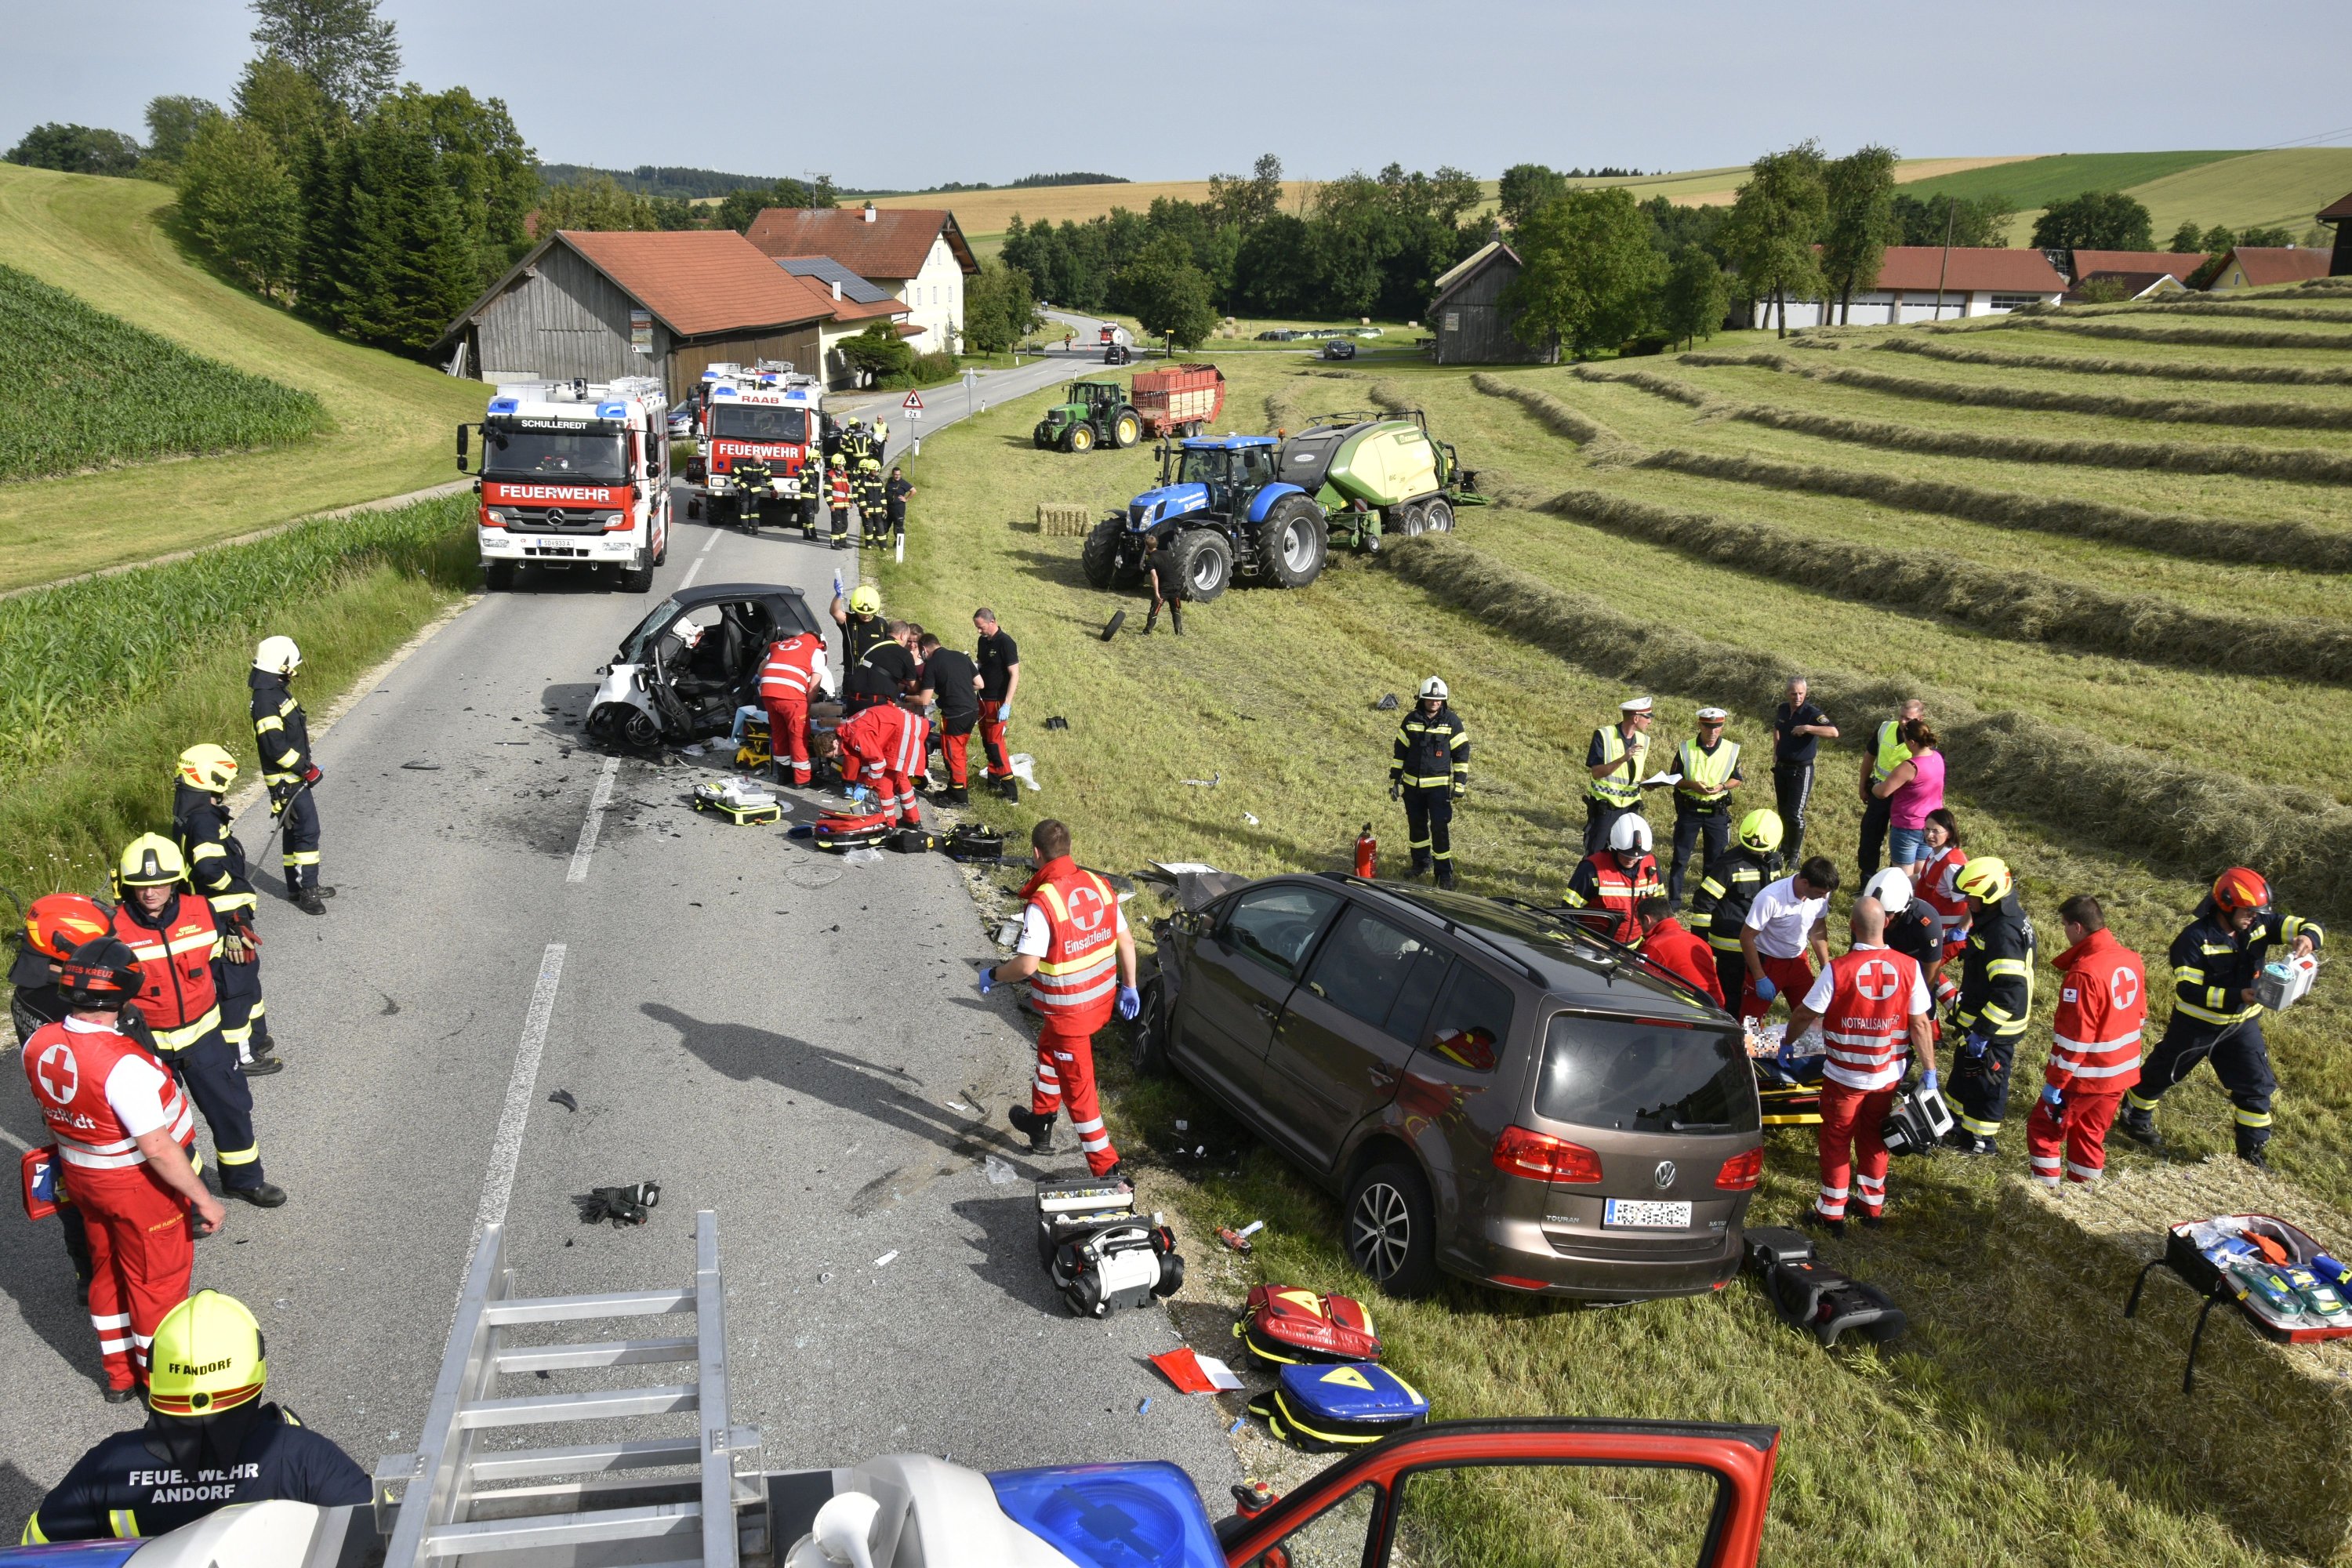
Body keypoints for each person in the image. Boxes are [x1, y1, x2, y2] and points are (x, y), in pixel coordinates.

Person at [20, 936, 222, 1401]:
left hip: (82, 1178)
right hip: (136, 1187)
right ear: (122, 993)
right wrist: (204, 1199)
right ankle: (164, 1382)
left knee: (107, 1271)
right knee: (157, 1283)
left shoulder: (39, 1041)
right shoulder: (123, 1065)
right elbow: (158, 1147)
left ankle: (118, 1377)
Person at [21, 1290, 370, 1541]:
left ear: (157, 1371)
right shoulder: (302, 1454)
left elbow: (35, 1550)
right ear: (255, 1364)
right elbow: (385, 1533)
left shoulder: (108, 1466)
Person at [109, 835, 285, 1208]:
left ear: (175, 882)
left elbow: (226, 958)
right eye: (141, 886)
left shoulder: (202, 912)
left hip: (206, 1040)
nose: (150, 893)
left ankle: (245, 1180)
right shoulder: (113, 929)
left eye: (159, 883)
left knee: (232, 1108)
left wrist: (236, 934)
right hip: (148, 1048)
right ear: (126, 886)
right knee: (166, 1127)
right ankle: (188, 1196)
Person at [2121, 867, 2322, 1168]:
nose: (2254, 917)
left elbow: (2310, 925)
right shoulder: (2193, 940)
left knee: (2256, 1087)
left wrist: (2307, 938)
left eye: (2257, 912)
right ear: (2226, 905)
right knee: (2164, 1074)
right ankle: (2134, 1117)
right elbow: (2189, 991)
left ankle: (2251, 1154)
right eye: (2248, 911)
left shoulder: (2260, 923)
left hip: (2241, 1026)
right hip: (2196, 1026)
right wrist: (2237, 996)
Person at [982, 819, 1140, 1180]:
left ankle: (1108, 1169)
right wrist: (1129, 986)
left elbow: (1025, 966)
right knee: (1047, 1051)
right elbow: (1127, 943)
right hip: (1099, 1003)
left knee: (1081, 1094)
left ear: (1036, 853)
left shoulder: (1044, 903)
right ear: (1069, 848)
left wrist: (993, 976)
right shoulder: (1100, 885)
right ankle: (1040, 1124)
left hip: (1070, 1013)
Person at [1784, 896, 1935, 1234]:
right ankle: (1871, 1207)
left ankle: (1832, 1213)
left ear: (1852, 927)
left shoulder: (1838, 970)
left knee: (1837, 1140)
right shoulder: (1909, 968)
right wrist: (1930, 1071)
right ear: (1886, 925)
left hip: (1844, 1077)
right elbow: (1921, 1023)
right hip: (1886, 1076)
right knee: (1875, 1137)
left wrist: (1787, 1043)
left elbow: (1806, 1013)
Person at [12, 895, 113, 1305]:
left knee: (72, 1196)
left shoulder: (27, 991)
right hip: (96, 1118)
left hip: (56, 1113)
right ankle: (110, 1276)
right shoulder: (70, 1006)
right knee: (102, 1197)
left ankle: (85, 1276)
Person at [171, 745, 279, 1077]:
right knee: (236, 986)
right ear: (210, 777)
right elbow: (207, 869)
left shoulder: (192, 809)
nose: (226, 787)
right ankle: (242, 1055)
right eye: (223, 780)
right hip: (224, 918)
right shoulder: (204, 818)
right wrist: (236, 894)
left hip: (223, 915)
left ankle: (256, 1037)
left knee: (247, 979)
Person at [2027, 895, 2145, 1188]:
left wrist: (2056, 1081)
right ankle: (2086, 1195)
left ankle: (2045, 1197)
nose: (2064, 932)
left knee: (2043, 1131)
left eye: (2065, 926)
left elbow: (2075, 1038)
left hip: (2087, 1078)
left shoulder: (2084, 973)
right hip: (2120, 1074)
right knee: (2089, 1136)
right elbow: (2140, 1016)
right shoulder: (2132, 960)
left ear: (2077, 927)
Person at [1945, 855, 2035, 1156]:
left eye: (1972, 896)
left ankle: (1981, 1142)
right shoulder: (1999, 918)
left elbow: (2010, 992)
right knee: (1965, 1076)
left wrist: (1983, 1032)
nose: (1967, 902)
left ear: (1990, 895)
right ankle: (1959, 1126)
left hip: (1995, 1028)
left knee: (1988, 1085)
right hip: (1978, 1021)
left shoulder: (2002, 933)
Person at [249, 637, 327, 916]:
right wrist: (306, 769)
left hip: (291, 777)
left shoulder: (275, 690)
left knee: (294, 830)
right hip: (287, 780)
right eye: (290, 665)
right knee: (307, 831)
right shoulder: (267, 699)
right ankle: (308, 890)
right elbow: (275, 746)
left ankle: (297, 886)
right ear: (281, 664)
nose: (293, 670)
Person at [1690, 809, 1781, 1014]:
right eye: (1752, 849)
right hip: (1730, 946)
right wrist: (1700, 942)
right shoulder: (1730, 864)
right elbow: (1704, 901)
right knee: (1730, 996)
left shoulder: (1774, 861)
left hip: (1760, 944)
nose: (1757, 852)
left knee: (1751, 995)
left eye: (1761, 850)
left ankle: (1746, 1034)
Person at [1389, 676, 1469, 889]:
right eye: (1430, 699)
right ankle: (1420, 863)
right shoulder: (1410, 720)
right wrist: (1394, 779)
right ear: (1422, 699)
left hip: (1438, 789)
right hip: (1412, 787)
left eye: (1439, 700)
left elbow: (1461, 755)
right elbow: (1400, 752)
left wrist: (1459, 784)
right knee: (1416, 826)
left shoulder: (1452, 722)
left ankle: (1444, 874)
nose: (1435, 703)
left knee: (1440, 828)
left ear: (1444, 701)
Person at [1740, 856, 1838, 1022]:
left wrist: (1825, 965)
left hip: (1799, 961)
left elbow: (1818, 928)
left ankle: (1804, 1046)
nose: (1823, 898)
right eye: (1820, 893)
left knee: (1810, 1015)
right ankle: (1749, 1048)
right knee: (1751, 1022)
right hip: (1768, 963)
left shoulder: (1821, 895)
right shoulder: (1770, 898)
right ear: (1805, 883)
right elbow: (1746, 937)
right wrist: (1759, 977)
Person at [1668, 706, 1744, 906]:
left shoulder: (1731, 749)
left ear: (1722, 726)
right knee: (1680, 858)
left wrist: (1722, 786)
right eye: (1709, 726)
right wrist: (1692, 785)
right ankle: (1674, 900)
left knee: (1714, 860)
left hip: (1716, 811)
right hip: (1690, 809)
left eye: (1717, 726)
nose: (1713, 731)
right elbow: (1674, 779)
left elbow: (1737, 778)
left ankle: (1705, 902)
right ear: (1700, 725)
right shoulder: (1685, 748)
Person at [1565, 816, 1664, 947]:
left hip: (1635, 948)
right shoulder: (1592, 869)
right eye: (1625, 854)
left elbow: (1659, 907)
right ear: (1614, 847)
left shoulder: (1651, 865)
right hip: (1594, 945)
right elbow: (1569, 912)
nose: (1630, 860)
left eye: (1637, 857)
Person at [1857, 698, 1926, 880]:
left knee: (1899, 842)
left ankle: (1891, 883)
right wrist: (1863, 784)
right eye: (1901, 717)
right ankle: (1866, 879)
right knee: (1870, 835)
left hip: (1904, 799)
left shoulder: (1923, 740)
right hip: (1879, 793)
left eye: (1908, 719)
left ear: (1920, 719)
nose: (1903, 722)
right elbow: (1869, 757)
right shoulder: (1885, 728)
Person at [833, 698, 928, 829]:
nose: (838, 756)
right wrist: (862, 781)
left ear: (835, 743)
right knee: (901, 778)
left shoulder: (855, 736)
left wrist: (866, 785)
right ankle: (912, 820)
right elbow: (870, 757)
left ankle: (888, 824)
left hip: (902, 732)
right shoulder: (849, 728)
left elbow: (877, 763)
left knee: (883, 783)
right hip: (907, 726)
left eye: (835, 754)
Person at [1769, 677, 1837, 865]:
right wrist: (1776, 750)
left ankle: (1794, 856)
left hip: (1801, 770)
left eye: (1801, 693)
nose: (1797, 697)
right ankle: (1782, 848)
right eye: (1793, 693)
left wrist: (1808, 728)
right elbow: (1777, 728)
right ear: (1787, 693)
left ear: (1805, 693)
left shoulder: (1811, 713)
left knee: (1795, 814)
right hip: (1782, 767)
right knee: (1782, 811)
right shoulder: (1783, 708)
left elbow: (1833, 732)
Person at [757, 625, 832, 787]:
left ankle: (784, 775)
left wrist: (773, 682)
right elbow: (814, 686)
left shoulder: (784, 644)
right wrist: (807, 705)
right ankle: (802, 779)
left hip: (768, 692)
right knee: (798, 735)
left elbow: (761, 668)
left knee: (779, 733)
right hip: (791, 697)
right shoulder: (816, 650)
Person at [1871, 718, 1944, 873]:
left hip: (1908, 826)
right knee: (1920, 873)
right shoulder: (1937, 758)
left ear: (1912, 742)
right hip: (1930, 824)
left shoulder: (1910, 766)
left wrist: (1873, 787)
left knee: (1903, 876)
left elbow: (1883, 792)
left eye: (1904, 739)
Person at [1582, 696, 1654, 854]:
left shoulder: (1644, 740)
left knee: (1626, 852)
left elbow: (1632, 773)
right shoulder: (1604, 735)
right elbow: (1597, 773)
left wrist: (1646, 782)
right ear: (1636, 718)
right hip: (1606, 808)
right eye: (1647, 717)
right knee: (1596, 853)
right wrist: (1622, 759)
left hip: (1631, 807)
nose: (1650, 721)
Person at [918, 633, 982, 805]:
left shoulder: (932, 664)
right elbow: (979, 684)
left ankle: (960, 797)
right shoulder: (961, 656)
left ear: (924, 649)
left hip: (955, 714)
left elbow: (924, 700)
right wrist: (958, 688)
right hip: (972, 710)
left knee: (954, 753)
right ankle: (954, 787)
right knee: (958, 750)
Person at [1635, 896, 1722, 1004]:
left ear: (1647, 920)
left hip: (1688, 1012)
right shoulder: (1698, 942)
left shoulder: (1654, 946)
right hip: (1717, 1009)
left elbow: (1637, 984)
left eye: (1641, 923)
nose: (1641, 929)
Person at [975, 608, 1021, 803]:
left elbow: (1015, 674)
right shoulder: (983, 641)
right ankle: (993, 781)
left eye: (982, 627)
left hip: (998, 702)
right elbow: (981, 663)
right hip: (983, 699)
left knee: (995, 744)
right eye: (977, 628)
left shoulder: (1006, 643)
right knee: (986, 741)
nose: (979, 631)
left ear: (992, 622)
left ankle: (1011, 791)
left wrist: (1007, 704)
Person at [843, 621, 920, 715]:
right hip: (877, 704)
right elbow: (914, 686)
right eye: (907, 639)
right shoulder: (905, 654)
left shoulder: (872, 646)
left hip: (852, 699)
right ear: (903, 635)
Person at [831, 580, 889, 666]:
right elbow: (834, 612)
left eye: (869, 613)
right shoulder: (849, 621)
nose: (865, 615)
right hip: (853, 674)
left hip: (875, 674)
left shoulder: (882, 624)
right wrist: (838, 595)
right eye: (861, 613)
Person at [1144, 536, 1187, 635]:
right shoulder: (1166, 553)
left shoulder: (1151, 560)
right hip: (1176, 586)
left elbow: (1154, 577)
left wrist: (1156, 593)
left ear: (1147, 547)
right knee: (1176, 609)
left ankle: (1147, 632)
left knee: (1155, 609)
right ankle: (1179, 632)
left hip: (1164, 588)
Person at [884, 466, 914, 550]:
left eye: (899, 475)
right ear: (892, 474)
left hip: (898, 510)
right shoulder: (890, 480)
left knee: (898, 528)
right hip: (888, 508)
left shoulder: (903, 483)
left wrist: (906, 499)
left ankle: (898, 545)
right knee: (885, 526)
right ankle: (882, 542)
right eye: (896, 475)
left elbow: (914, 490)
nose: (897, 476)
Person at [828, 463, 854, 550]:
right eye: (839, 464)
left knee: (844, 524)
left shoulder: (843, 474)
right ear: (834, 464)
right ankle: (834, 543)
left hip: (844, 505)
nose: (840, 466)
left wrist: (850, 501)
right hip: (836, 505)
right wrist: (830, 504)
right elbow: (827, 492)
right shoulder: (830, 475)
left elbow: (847, 489)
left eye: (842, 464)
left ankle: (842, 542)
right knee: (837, 525)